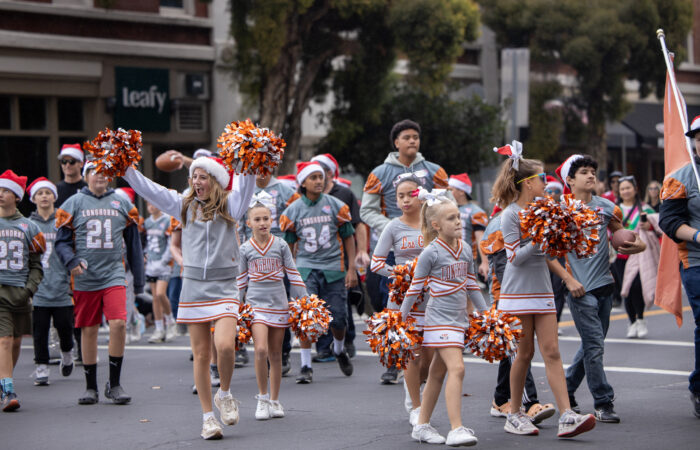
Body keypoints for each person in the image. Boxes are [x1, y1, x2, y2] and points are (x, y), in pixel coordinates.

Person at [122, 156, 255, 439]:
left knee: (226, 347)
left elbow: (246, 185)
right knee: (202, 354)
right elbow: (149, 189)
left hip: (225, 284)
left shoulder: (232, 205)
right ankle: (208, 417)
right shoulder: (183, 205)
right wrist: (126, 170)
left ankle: (226, 393)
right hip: (194, 286)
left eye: (203, 177)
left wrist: (248, 160)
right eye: (194, 177)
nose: (197, 182)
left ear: (216, 181)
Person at [491, 145, 596, 438]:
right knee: (523, 354)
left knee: (552, 351)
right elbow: (513, 256)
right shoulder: (510, 214)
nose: (546, 183)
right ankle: (514, 414)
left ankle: (567, 415)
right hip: (517, 292)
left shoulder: (546, 209)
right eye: (541, 178)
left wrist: (566, 236)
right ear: (527, 183)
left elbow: (551, 251)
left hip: (542, 290)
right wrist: (542, 238)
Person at [552, 155, 645, 423]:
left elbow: (627, 238)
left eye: (593, 171)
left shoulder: (606, 206)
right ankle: (603, 402)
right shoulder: (559, 210)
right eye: (584, 172)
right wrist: (568, 281)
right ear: (570, 180)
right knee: (594, 346)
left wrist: (638, 246)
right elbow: (545, 251)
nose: (591, 176)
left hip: (606, 285)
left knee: (593, 345)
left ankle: (567, 389)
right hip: (579, 290)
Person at [399, 188, 486, 446]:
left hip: (459, 319)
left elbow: (471, 284)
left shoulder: (466, 249)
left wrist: (486, 314)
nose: (458, 222)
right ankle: (456, 428)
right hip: (437, 319)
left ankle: (422, 425)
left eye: (458, 217)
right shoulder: (431, 252)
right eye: (451, 219)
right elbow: (415, 288)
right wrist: (400, 321)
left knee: (437, 373)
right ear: (436, 225)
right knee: (457, 368)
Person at [55, 162, 145, 406]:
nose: (100, 176)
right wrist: (71, 260)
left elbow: (134, 244)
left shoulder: (122, 202)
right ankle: (91, 386)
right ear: (86, 176)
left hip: (114, 273)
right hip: (86, 275)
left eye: (105, 172)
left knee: (118, 323)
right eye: (95, 172)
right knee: (89, 328)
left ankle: (114, 384)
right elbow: (61, 242)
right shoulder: (73, 203)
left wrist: (139, 281)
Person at [279, 161, 357, 383]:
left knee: (339, 320)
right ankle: (305, 365)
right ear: (303, 182)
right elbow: (290, 245)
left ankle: (339, 349)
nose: (318, 181)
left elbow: (348, 236)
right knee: (307, 316)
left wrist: (352, 268)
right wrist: (291, 273)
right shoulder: (293, 210)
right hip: (306, 267)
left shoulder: (335, 205)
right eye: (313, 177)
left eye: (320, 177)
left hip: (333, 268)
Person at [479, 206, 556, 425]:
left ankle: (500, 399)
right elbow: (506, 273)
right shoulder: (503, 221)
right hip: (510, 298)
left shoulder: (531, 217)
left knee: (513, 352)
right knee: (519, 352)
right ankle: (529, 403)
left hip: (524, 296)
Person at [237, 192, 308, 420]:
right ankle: (262, 398)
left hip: (279, 304)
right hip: (256, 305)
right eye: (257, 219)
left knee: (276, 354)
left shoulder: (281, 245)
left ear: (272, 220)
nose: (262, 223)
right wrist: (236, 306)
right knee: (260, 350)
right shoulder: (245, 249)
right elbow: (241, 280)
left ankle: (275, 401)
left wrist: (305, 299)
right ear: (249, 223)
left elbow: (293, 273)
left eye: (266, 218)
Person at [370, 176, 431, 420]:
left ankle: (413, 388)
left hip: (431, 297)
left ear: (421, 194)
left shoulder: (432, 222)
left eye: (411, 194)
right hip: (402, 297)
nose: (405, 200)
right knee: (412, 353)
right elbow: (376, 263)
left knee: (431, 357)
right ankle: (416, 407)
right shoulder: (393, 226)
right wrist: (402, 273)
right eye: (400, 196)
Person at [658, 115, 700, 418]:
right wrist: (698, 235)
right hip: (696, 260)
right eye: (698, 137)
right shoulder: (681, 177)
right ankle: (699, 387)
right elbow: (670, 222)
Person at [238, 171, 300, 372]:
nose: (261, 169)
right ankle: (257, 351)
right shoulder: (243, 190)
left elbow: (295, 220)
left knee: (283, 303)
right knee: (252, 306)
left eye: (266, 164)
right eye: (257, 165)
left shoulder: (285, 190)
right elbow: (237, 225)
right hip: (253, 252)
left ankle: (283, 351)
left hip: (277, 254)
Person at [311, 153, 369, 361]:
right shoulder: (307, 195)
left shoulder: (343, 193)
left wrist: (361, 251)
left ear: (328, 173)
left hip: (341, 257)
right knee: (316, 303)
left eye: (320, 172)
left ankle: (348, 340)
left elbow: (358, 224)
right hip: (313, 259)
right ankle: (324, 346)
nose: (316, 178)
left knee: (341, 301)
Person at [0, 170, 45, 412]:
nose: (1, 194)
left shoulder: (30, 227)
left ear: (17, 196)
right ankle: (8, 390)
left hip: (20, 293)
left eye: (6, 190)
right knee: (5, 340)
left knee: (16, 342)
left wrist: (29, 289)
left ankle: (4, 380)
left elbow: (37, 265)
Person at [27, 178, 74, 386]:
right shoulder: (29, 224)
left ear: (54, 197)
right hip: (39, 286)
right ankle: (42, 367)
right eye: (40, 193)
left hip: (61, 284)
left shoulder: (62, 221)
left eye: (48, 192)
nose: (44, 196)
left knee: (65, 327)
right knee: (40, 329)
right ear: (33, 198)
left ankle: (67, 354)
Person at [615, 176, 660, 339]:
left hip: (640, 254)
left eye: (628, 188)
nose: (625, 191)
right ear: (618, 192)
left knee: (636, 287)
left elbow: (658, 227)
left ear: (635, 189)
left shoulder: (645, 209)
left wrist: (649, 226)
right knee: (625, 289)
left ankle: (640, 319)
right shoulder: (614, 209)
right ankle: (632, 322)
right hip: (619, 255)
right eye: (622, 189)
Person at [55, 143, 87, 365]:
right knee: (62, 301)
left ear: (81, 164)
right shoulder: (55, 191)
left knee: (81, 302)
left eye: (71, 161)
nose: (67, 166)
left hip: (84, 250)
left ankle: (82, 347)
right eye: (63, 162)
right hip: (60, 250)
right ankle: (66, 344)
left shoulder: (87, 188)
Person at [144, 202, 177, 343]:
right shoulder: (146, 223)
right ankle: (159, 328)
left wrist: (164, 260)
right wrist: (145, 256)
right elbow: (145, 243)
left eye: (153, 203)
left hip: (164, 265)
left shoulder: (166, 220)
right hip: (151, 263)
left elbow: (171, 243)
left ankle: (170, 321)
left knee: (160, 293)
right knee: (155, 298)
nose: (151, 207)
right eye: (148, 204)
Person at [447, 173, 489, 279]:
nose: (448, 193)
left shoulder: (476, 212)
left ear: (462, 191)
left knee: (466, 293)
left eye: (451, 189)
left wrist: (485, 262)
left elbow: (481, 239)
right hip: (446, 259)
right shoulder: (445, 209)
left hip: (466, 260)